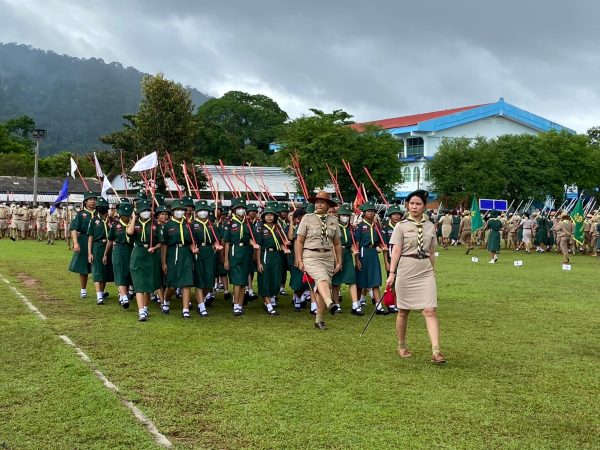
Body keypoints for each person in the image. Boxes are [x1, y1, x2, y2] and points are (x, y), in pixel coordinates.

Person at [386, 189, 446, 364]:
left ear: (424, 206)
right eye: (411, 203)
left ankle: (436, 351)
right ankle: (402, 345)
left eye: (418, 204)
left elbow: (432, 251)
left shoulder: (430, 226)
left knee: (430, 310)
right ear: (407, 205)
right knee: (403, 311)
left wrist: (432, 271)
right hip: (405, 268)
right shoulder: (401, 226)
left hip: (425, 269)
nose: (414, 206)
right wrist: (392, 273)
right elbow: (395, 250)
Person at [295, 191, 342, 330]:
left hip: (327, 257)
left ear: (328, 205)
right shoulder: (307, 218)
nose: (319, 204)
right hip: (311, 255)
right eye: (317, 202)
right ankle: (330, 303)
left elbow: (337, 243)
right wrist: (299, 259)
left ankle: (319, 319)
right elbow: (299, 241)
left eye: (322, 202)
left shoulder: (333, 221)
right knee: (322, 280)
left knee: (324, 286)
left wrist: (339, 261)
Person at [127, 200, 162, 321]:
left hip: (151, 254)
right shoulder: (135, 223)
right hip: (138, 253)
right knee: (139, 283)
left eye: (147, 210)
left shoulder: (155, 224)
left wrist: (155, 247)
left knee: (148, 284)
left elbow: (161, 242)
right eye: (143, 211)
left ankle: (145, 307)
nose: (145, 213)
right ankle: (141, 311)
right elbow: (129, 232)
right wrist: (134, 217)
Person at [355, 201, 393, 314]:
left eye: (373, 212)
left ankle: (378, 306)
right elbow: (357, 243)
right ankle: (356, 305)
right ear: (364, 213)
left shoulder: (377, 227)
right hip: (363, 252)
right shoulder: (360, 226)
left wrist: (383, 247)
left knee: (375, 280)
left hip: (373, 253)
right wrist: (357, 259)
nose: (371, 214)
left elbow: (380, 242)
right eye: (369, 212)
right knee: (361, 281)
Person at [160, 200, 195, 318]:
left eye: (182, 210)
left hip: (186, 254)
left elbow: (190, 241)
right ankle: (166, 300)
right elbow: (164, 244)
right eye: (177, 210)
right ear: (173, 212)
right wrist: (163, 262)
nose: (180, 212)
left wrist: (193, 248)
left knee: (187, 282)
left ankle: (185, 309)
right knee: (172, 286)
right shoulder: (167, 226)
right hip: (172, 254)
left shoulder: (188, 225)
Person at [223, 198, 257, 316]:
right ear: (234, 210)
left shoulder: (248, 223)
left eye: (242, 208)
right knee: (237, 281)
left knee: (243, 282)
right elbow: (226, 242)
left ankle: (240, 305)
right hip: (235, 251)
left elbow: (251, 237)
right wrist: (226, 259)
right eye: (238, 208)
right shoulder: (230, 223)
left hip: (246, 251)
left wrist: (254, 244)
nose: (241, 210)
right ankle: (236, 305)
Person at [191, 200, 221, 317]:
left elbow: (214, 240)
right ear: (196, 212)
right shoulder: (192, 225)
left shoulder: (212, 225)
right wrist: (194, 249)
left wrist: (216, 246)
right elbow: (190, 241)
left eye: (205, 211)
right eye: (200, 211)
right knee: (199, 279)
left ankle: (201, 300)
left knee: (209, 281)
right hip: (198, 252)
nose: (203, 213)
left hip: (209, 252)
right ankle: (201, 305)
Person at [254, 204, 284, 315]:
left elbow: (281, 242)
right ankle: (269, 305)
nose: (269, 217)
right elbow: (259, 246)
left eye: (271, 215)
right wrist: (259, 262)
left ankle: (270, 299)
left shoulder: (278, 228)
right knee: (265, 279)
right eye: (267, 215)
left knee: (275, 280)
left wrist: (285, 248)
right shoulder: (261, 229)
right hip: (265, 255)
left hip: (276, 255)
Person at [331, 203, 361, 315]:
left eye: (347, 215)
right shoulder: (334, 226)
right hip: (336, 253)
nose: (345, 217)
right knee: (336, 282)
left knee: (352, 280)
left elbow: (352, 243)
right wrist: (336, 260)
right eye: (343, 214)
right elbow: (332, 244)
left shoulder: (351, 228)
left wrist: (354, 251)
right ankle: (337, 304)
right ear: (338, 215)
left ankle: (355, 305)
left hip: (348, 254)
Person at [68, 191, 97, 298]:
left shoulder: (99, 213)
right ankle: (83, 290)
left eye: (94, 199)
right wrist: (75, 243)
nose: (93, 201)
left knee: (98, 266)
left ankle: (100, 291)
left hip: (97, 241)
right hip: (84, 240)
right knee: (83, 267)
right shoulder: (81, 214)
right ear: (85, 202)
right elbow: (74, 228)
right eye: (91, 199)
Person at [105, 202, 134, 309]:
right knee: (119, 273)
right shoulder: (115, 226)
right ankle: (124, 297)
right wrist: (105, 254)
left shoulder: (133, 225)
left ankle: (125, 293)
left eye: (128, 215)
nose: (126, 217)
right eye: (124, 215)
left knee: (128, 273)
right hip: (118, 250)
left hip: (131, 250)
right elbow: (110, 241)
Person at [87, 197, 114, 304]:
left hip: (110, 246)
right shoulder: (93, 220)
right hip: (97, 247)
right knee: (97, 271)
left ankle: (101, 293)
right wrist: (89, 253)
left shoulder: (112, 220)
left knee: (105, 271)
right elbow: (90, 237)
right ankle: (99, 296)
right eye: (100, 207)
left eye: (104, 207)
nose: (102, 209)